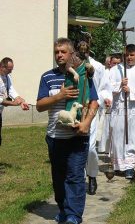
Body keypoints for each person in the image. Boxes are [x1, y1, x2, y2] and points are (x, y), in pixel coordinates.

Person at [36, 37, 99, 224]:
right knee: (58, 177)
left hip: (77, 135)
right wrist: (60, 96)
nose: (59, 55)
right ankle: (63, 209)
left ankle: (73, 215)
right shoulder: (48, 77)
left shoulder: (84, 74)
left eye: (63, 51)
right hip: (55, 136)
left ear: (72, 54)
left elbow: (94, 101)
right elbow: (39, 105)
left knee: (75, 176)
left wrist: (87, 122)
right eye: (56, 52)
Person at [109, 44, 135, 179]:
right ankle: (119, 165)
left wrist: (131, 91)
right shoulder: (116, 70)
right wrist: (119, 85)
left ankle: (130, 166)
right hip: (119, 108)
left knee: (132, 136)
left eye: (132, 55)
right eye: (126, 55)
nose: (129, 58)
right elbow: (107, 87)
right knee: (118, 134)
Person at [82, 41, 112, 195]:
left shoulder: (99, 67)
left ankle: (92, 176)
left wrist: (104, 98)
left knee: (90, 146)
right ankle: (78, 178)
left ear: (89, 51)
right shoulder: (71, 65)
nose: (82, 52)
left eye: (85, 50)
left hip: (92, 108)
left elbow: (105, 87)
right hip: (75, 109)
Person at [0, 57, 29, 145]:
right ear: (2, 67)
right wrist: (12, 103)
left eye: (12, 69)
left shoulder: (7, 76)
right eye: (9, 69)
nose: (11, 72)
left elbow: (11, 89)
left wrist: (21, 101)